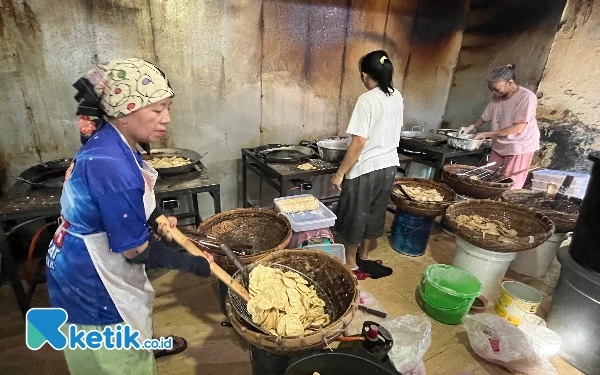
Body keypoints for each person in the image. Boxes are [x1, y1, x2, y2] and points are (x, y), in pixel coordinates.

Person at [46, 58, 215, 374]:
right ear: (125, 112)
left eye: (168, 108)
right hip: (94, 282)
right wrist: (193, 263)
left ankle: (145, 347)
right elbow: (136, 251)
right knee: (119, 361)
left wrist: (155, 218)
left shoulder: (112, 140)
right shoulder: (113, 165)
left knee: (130, 337)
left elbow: (123, 203)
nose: (166, 119)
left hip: (73, 263)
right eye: (156, 110)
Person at [332, 50, 402, 279]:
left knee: (356, 213)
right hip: (390, 165)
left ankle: (351, 262)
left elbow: (359, 142)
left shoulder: (367, 100)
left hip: (367, 168)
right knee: (375, 212)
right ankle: (366, 254)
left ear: (364, 75)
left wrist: (340, 173)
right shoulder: (396, 96)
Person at [460, 64, 540, 189]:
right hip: (500, 145)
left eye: (496, 89)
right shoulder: (497, 97)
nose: (493, 92)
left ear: (510, 82)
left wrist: (485, 134)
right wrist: (471, 127)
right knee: (489, 178)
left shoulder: (526, 97)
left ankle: (501, 206)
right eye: (490, 89)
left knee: (509, 184)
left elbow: (518, 128)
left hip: (518, 146)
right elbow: (484, 117)